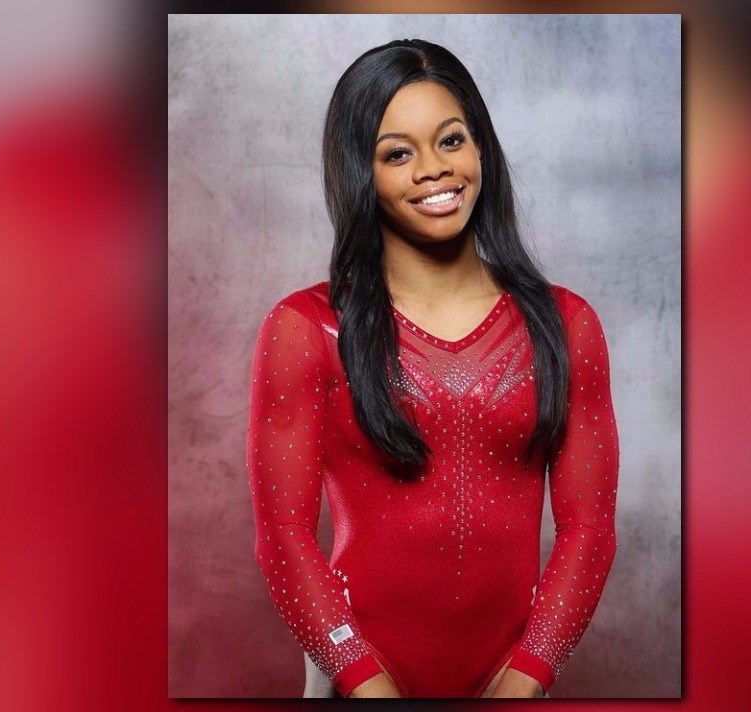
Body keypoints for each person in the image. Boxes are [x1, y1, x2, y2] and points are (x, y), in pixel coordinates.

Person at [246, 39, 619, 698]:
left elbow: (588, 531)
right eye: (396, 153)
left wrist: (527, 673)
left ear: (481, 150)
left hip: (511, 681)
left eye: (450, 141)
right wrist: (361, 679)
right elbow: (282, 538)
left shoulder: (564, 325)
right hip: (353, 682)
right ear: (360, 170)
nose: (431, 170)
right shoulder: (307, 329)